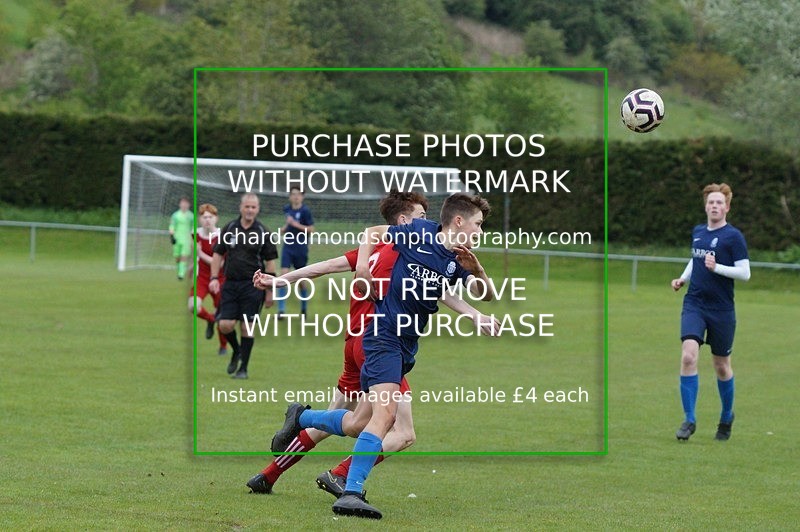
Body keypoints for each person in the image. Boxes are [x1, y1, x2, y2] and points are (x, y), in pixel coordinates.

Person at [246, 192, 499, 498]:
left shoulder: (391, 250)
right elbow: (437, 287)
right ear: (404, 221)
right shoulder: (407, 247)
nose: (427, 222)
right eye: (420, 216)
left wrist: (278, 281)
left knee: (350, 421)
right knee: (400, 431)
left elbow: (324, 266)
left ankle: (271, 471)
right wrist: (474, 311)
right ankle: (344, 478)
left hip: (355, 343)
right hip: (380, 344)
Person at [671, 183, 750, 442]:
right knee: (688, 356)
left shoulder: (733, 237)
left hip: (722, 309)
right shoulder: (698, 232)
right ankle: (689, 420)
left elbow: (745, 273)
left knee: (721, 366)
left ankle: (727, 416)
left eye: (719, 202)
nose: (715, 206)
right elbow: (696, 260)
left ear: (727, 207)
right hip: (694, 303)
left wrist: (718, 268)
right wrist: (683, 279)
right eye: (711, 202)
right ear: (705, 206)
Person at [210, 193, 278, 379]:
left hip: (254, 286)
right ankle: (237, 350)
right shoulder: (230, 228)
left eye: (253, 207)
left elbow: (271, 264)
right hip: (230, 284)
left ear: (257, 209)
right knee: (225, 325)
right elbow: (217, 254)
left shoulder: (264, 232)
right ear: (241, 207)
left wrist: (270, 291)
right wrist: (214, 278)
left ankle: (243, 369)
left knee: (247, 327)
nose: (250, 210)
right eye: (247, 206)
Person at [190, 203, 228, 355]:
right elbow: (195, 255)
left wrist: (200, 255)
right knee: (192, 306)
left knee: (222, 314)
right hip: (202, 278)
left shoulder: (222, 236)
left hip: (219, 279)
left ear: (216, 218)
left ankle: (223, 346)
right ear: (200, 219)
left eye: (210, 217)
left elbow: (221, 263)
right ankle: (210, 319)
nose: (207, 220)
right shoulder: (195, 234)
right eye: (204, 217)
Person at [276, 186, 315, 319]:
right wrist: (284, 229)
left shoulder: (305, 211)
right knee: (283, 275)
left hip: (300, 248)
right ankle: (281, 311)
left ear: (302, 196)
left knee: (300, 280)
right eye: (293, 194)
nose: (296, 196)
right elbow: (289, 225)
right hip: (288, 247)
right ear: (290, 196)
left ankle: (304, 309)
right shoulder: (287, 209)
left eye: (298, 194)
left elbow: (311, 229)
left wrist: (295, 224)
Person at [169, 197, 194, 280]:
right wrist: (172, 235)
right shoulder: (175, 215)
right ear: (180, 204)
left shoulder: (191, 216)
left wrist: (193, 239)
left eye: (186, 203)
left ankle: (181, 274)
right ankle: (180, 269)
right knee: (177, 257)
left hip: (187, 239)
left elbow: (193, 228)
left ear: (189, 205)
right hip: (177, 238)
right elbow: (172, 225)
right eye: (183, 203)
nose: (184, 205)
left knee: (184, 256)